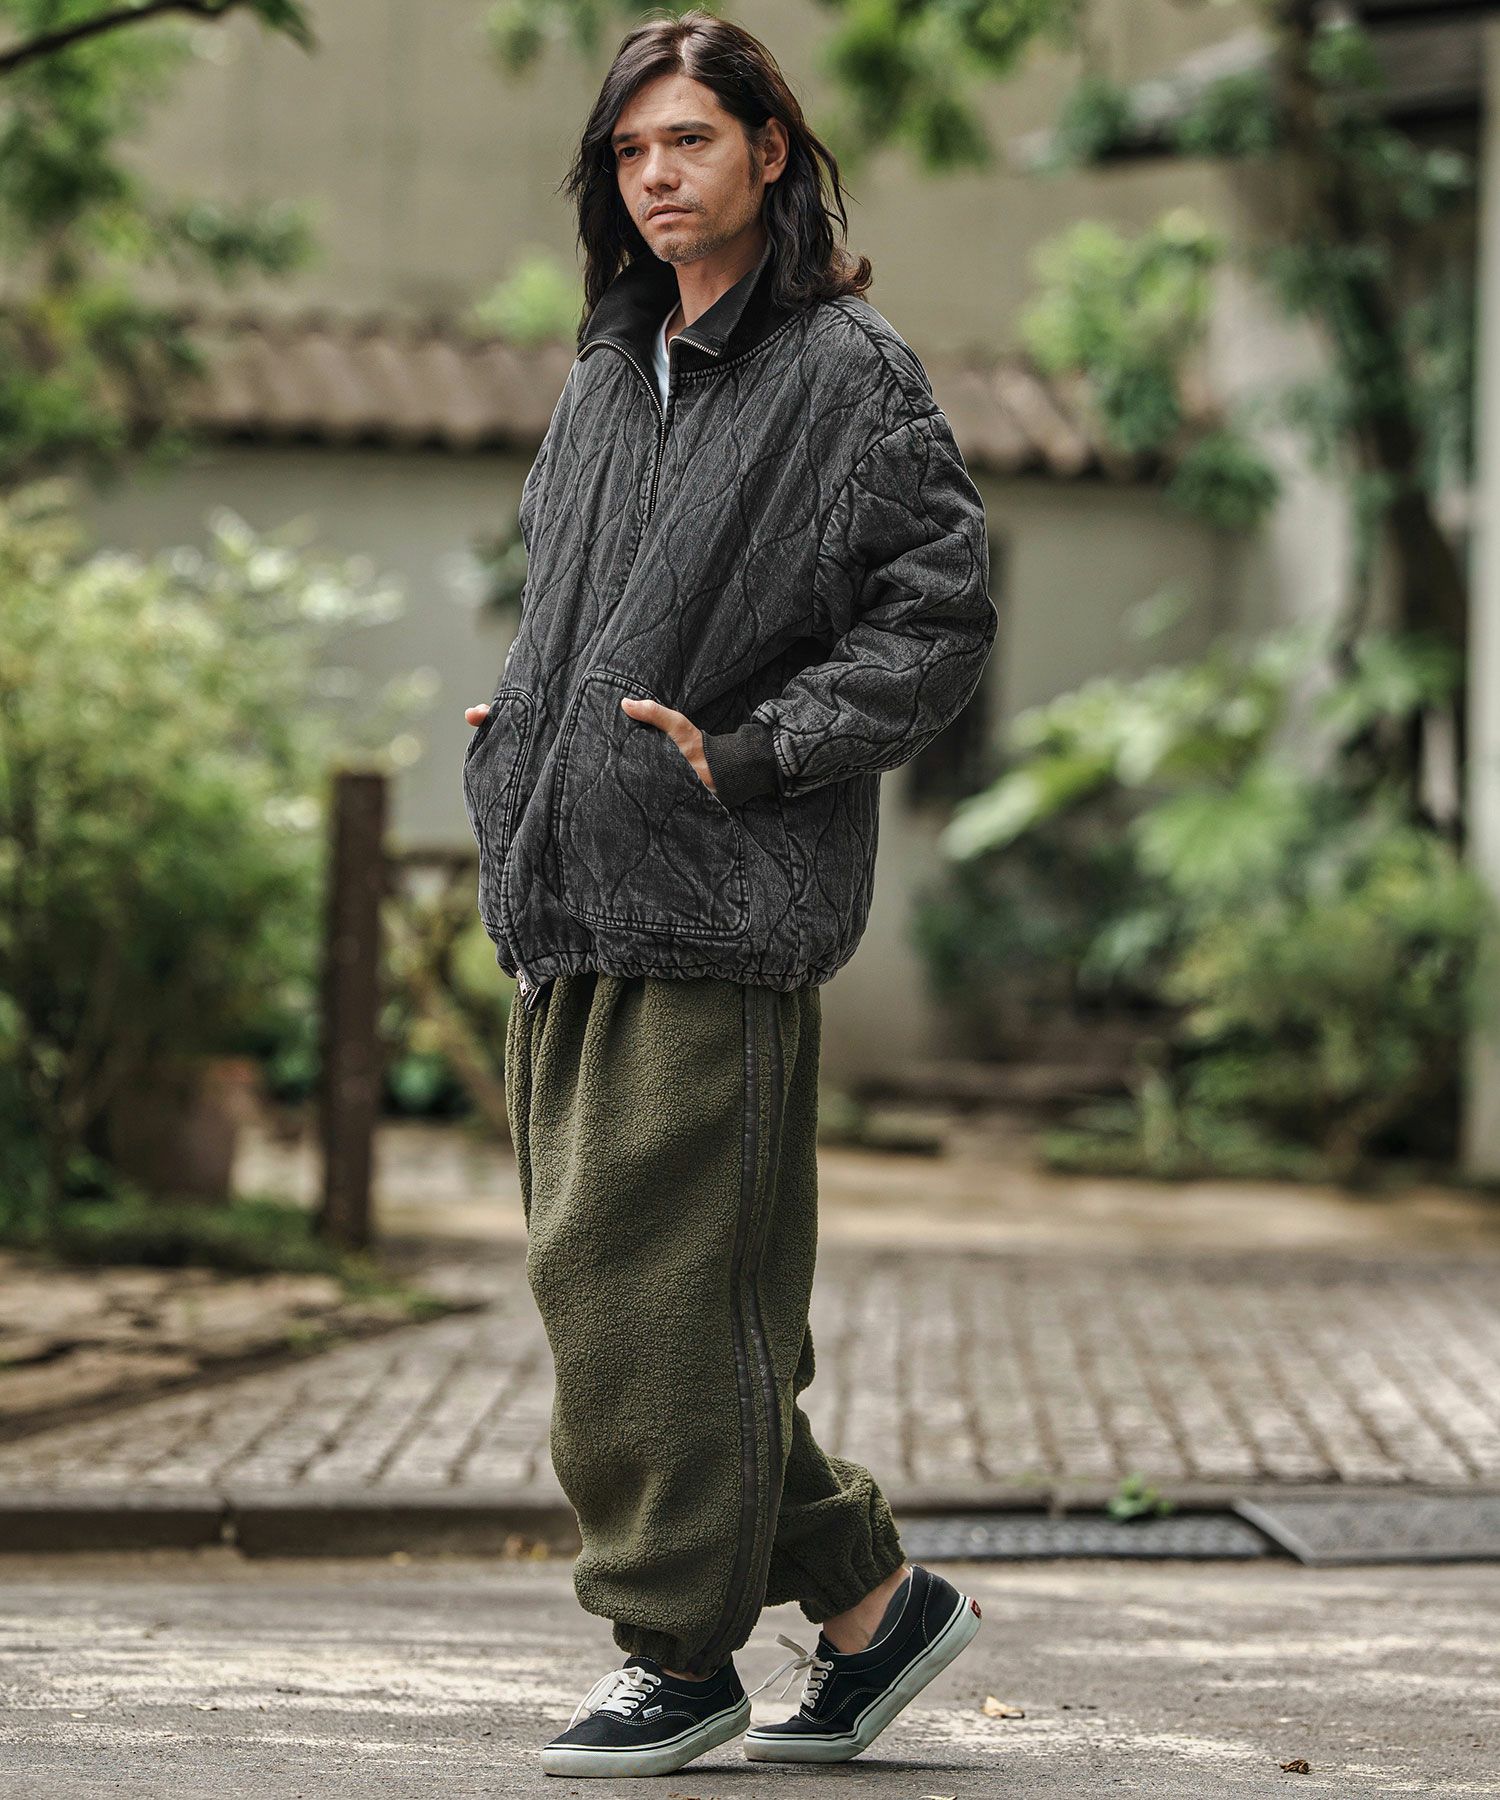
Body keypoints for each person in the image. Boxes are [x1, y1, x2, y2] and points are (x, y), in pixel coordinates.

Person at [460, 8, 996, 1779]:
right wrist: (526, 726)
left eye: (688, 139)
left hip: (721, 902)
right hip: (569, 892)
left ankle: (677, 1658)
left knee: (656, 1309)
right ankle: (869, 1603)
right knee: (627, 1298)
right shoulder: (610, 370)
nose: (656, 175)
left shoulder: (846, 373)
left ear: (772, 150)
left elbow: (939, 616)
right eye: (629, 150)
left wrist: (756, 754)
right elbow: (576, 604)